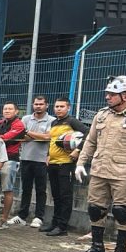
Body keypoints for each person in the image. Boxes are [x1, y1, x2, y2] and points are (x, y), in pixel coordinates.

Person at [75, 76, 126, 252]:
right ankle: (97, 247)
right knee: (95, 209)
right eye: (108, 93)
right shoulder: (102, 115)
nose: (107, 97)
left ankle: (121, 251)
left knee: (122, 211)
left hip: (124, 173)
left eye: (112, 94)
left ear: (125, 96)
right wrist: (81, 162)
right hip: (100, 170)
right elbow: (90, 141)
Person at [44, 97, 87, 237]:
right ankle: (55, 223)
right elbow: (52, 141)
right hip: (53, 163)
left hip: (66, 164)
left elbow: (88, 134)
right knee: (55, 195)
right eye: (56, 106)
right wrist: (48, 155)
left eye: (62, 106)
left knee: (65, 196)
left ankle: (62, 227)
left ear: (68, 107)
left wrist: (78, 150)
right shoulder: (54, 123)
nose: (58, 109)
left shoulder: (72, 121)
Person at [13, 95, 54, 229]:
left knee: (41, 189)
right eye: (36, 104)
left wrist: (29, 133)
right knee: (26, 188)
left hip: (42, 160)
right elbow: (22, 137)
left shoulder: (51, 120)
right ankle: (22, 216)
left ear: (46, 105)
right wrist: (38, 136)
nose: (38, 106)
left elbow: (48, 137)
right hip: (26, 158)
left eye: (41, 104)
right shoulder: (26, 118)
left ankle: (39, 217)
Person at [0, 102, 26, 228]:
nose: (7, 111)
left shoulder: (19, 125)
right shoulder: (0, 123)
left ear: (16, 111)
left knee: (7, 189)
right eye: (5, 109)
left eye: (10, 109)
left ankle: (3, 219)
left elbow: (3, 139)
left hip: (10, 159)